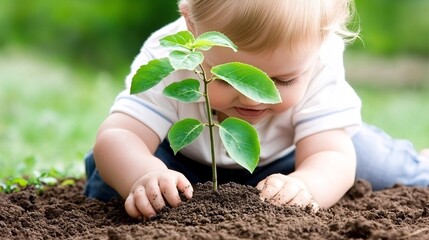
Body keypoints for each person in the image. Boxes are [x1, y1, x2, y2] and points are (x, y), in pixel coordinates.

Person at [84, 0, 429, 219]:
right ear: (193, 27)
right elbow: (121, 133)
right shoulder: (172, 55)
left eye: (281, 81)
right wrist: (142, 174)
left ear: (320, 42)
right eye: (230, 78)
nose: (254, 100)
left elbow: (330, 154)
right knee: (109, 183)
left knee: (373, 164)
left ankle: (421, 165)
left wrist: (307, 184)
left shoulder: (318, 57)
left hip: (291, 155)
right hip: (182, 161)